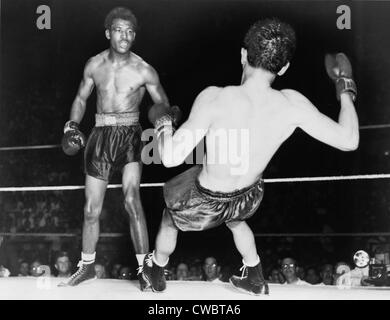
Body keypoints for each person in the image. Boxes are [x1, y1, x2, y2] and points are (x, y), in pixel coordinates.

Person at [141, 18, 359, 295]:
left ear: (243, 54)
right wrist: (345, 87)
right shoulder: (292, 104)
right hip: (248, 195)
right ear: (283, 67)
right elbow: (350, 140)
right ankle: (255, 273)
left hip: (204, 198)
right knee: (235, 219)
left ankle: (156, 271)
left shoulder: (215, 98)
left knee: (169, 218)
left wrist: (163, 124)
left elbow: (171, 157)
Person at [60, 7, 171, 289]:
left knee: (132, 198)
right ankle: (86, 266)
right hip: (100, 135)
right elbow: (81, 99)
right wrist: (71, 125)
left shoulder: (144, 69)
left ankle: (145, 268)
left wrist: (164, 121)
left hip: (131, 134)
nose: (126, 35)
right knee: (90, 208)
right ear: (109, 32)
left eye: (131, 31)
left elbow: (162, 104)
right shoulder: (94, 65)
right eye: (120, 30)